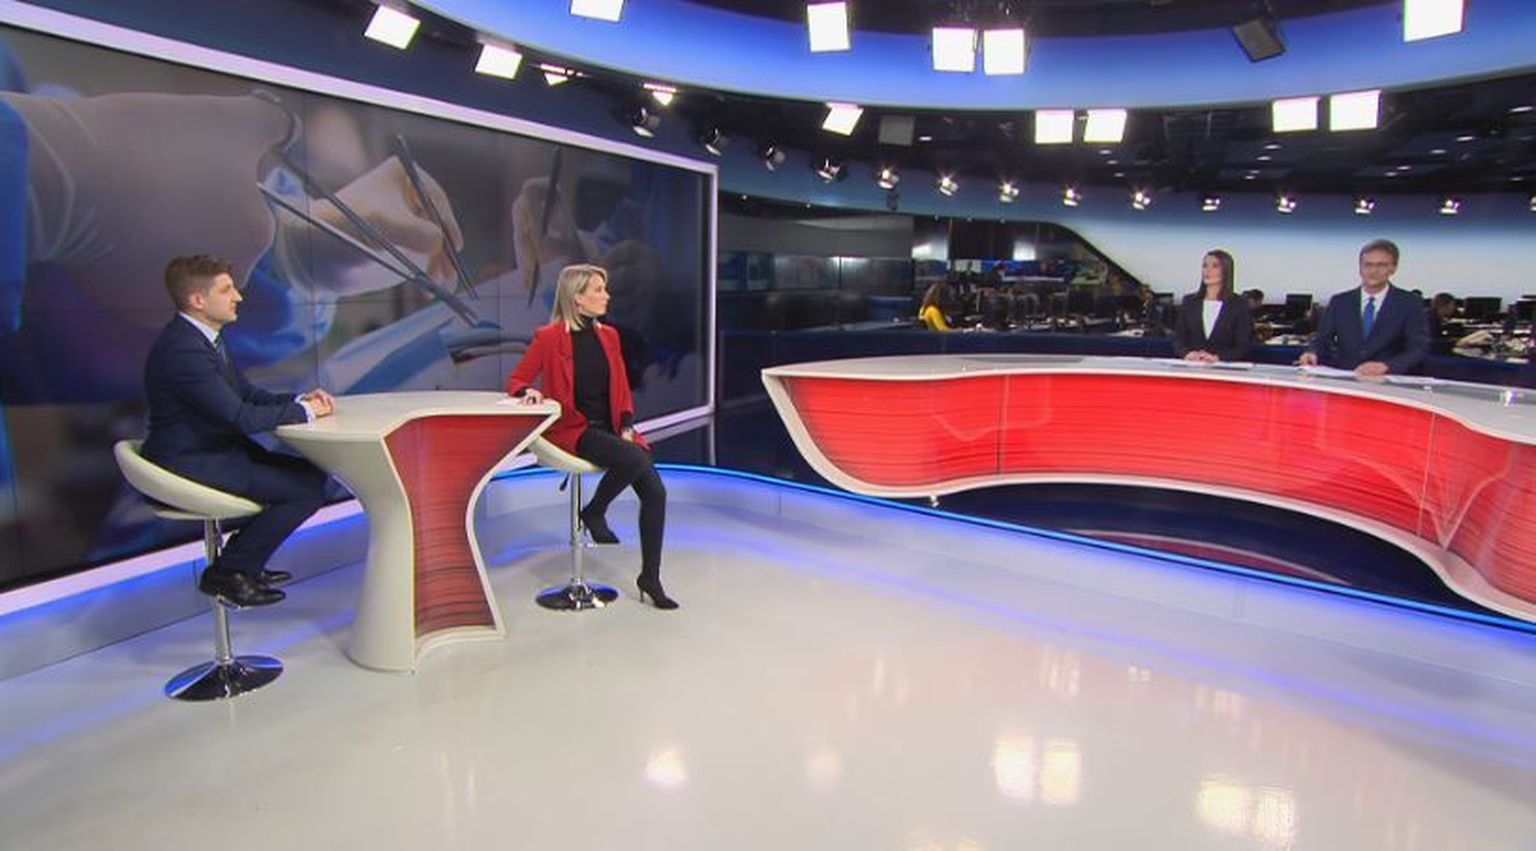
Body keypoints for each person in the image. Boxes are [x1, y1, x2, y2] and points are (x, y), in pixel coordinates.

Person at [140, 255, 334, 607]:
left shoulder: (205, 338)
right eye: (227, 289)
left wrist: (299, 400)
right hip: (192, 459)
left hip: (215, 448)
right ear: (198, 300)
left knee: (311, 475)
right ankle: (228, 572)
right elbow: (240, 417)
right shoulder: (184, 351)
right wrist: (304, 413)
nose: (238, 297)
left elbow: (245, 394)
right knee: (303, 492)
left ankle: (244, 561)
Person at [507, 264, 676, 610]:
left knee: (655, 492)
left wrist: (626, 423)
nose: (607, 296)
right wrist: (527, 391)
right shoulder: (549, 337)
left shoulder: (609, 336)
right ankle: (595, 512)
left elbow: (621, 387)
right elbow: (517, 379)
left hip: (611, 428)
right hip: (575, 429)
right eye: (598, 290)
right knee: (636, 458)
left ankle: (650, 577)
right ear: (577, 298)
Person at [1299, 239, 1430, 376]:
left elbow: (1419, 348)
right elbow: (1322, 338)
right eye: (1368, 265)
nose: (1373, 271)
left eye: (1381, 265)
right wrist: (1311, 352)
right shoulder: (1340, 302)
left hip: (1388, 380)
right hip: (1346, 379)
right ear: (1360, 267)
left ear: (1393, 268)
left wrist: (1387, 366)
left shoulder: (1409, 303)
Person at [1171, 250, 1254, 362]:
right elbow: (1178, 339)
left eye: (1215, 266)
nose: (1207, 270)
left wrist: (1217, 358)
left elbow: (1243, 345)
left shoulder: (1239, 304)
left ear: (1226, 271)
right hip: (1192, 365)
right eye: (1205, 265)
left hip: (1224, 367)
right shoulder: (1189, 302)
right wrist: (1187, 354)